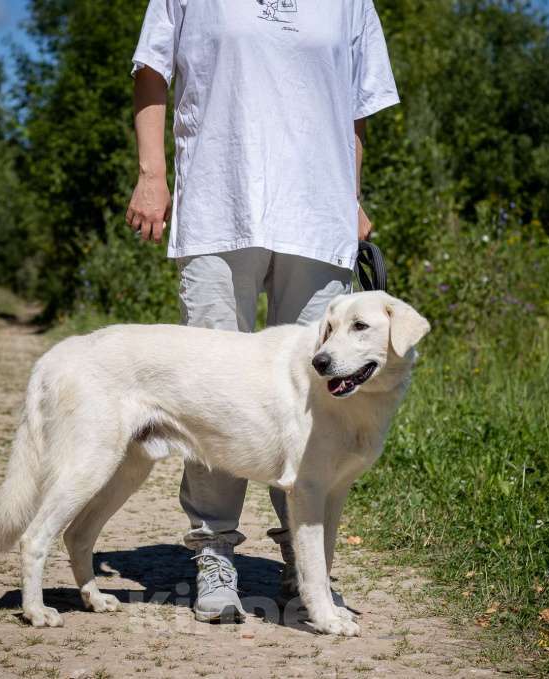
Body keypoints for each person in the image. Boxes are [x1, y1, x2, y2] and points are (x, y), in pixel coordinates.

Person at [127, 0, 399, 623]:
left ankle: (304, 570)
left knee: (321, 393)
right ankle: (215, 551)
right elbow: (151, 70)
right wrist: (151, 175)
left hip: (316, 214)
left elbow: (355, 109)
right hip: (218, 204)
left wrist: (350, 198)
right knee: (213, 392)